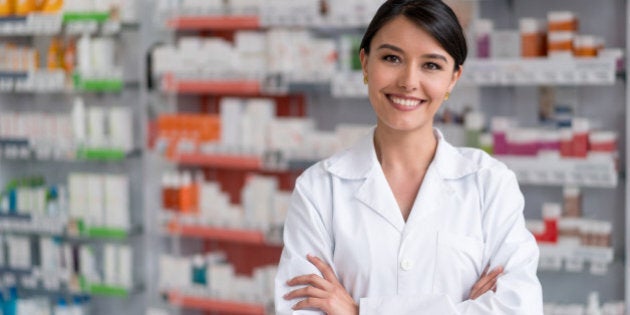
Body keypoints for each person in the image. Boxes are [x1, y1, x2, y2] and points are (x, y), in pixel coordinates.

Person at [274, 0, 543, 314]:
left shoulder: (490, 184)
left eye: (431, 65)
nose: (408, 81)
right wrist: (466, 308)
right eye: (391, 58)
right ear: (365, 63)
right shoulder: (319, 190)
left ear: (453, 78)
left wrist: (359, 311)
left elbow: (519, 309)